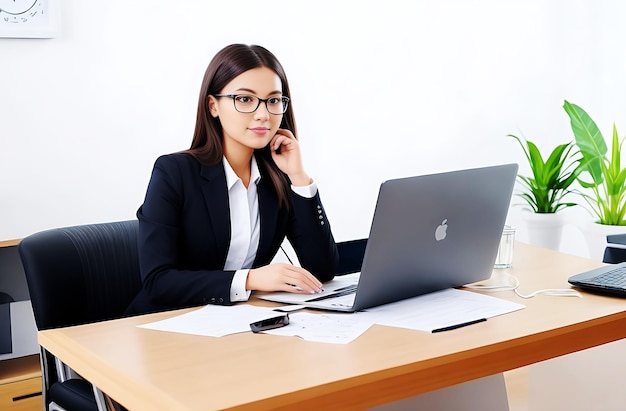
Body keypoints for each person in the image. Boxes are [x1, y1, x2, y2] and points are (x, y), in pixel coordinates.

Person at [125, 44, 339, 315]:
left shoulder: (277, 178)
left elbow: (323, 270)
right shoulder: (174, 172)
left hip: (236, 325)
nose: (263, 114)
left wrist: (298, 177)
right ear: (213, 106)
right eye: (245, 99)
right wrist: (250, 279)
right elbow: (158, 282)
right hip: (164, 325)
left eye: (273, 100)